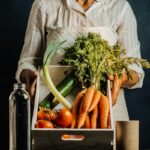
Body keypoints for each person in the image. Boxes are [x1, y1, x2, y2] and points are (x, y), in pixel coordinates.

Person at [16, 0, 144, 121]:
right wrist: (28, 74)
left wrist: (119, 78)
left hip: (107, 109)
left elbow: (135, 71)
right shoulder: (43, 5)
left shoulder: (120, 7)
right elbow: (28, 60)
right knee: (53, 143)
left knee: (111, 142)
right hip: (55, 111)